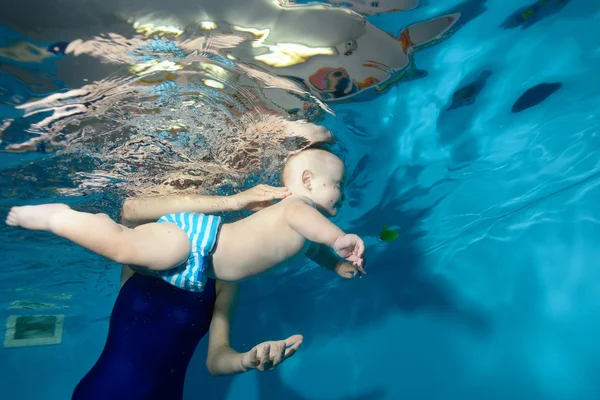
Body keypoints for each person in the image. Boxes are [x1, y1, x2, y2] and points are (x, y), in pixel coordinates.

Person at [5, 147, 366, 291]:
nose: (344, 194)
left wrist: (334, 265)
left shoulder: (302, 225)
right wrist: (339, 239)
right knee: (121, 247)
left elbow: (311, 246)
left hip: (195, 267)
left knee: (132, 253)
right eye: (338, 184)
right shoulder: (296, 208)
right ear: (307, 181)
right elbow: (316, 231)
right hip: (195, 242)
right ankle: (60, 218)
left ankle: (96, 224)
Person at [70, 184, 306, 399]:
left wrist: (248, 360)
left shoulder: (225, 277)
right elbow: (131, 209)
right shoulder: (142, 246)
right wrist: (233, 200)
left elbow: (216, 360)